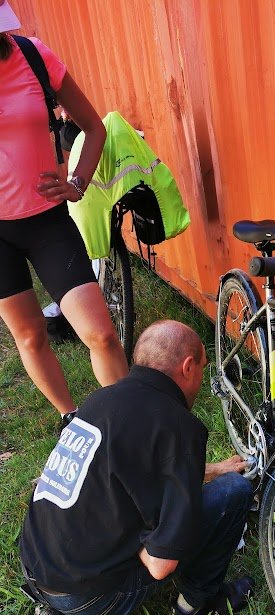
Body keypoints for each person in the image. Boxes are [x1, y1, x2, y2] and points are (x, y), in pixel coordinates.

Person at [20, 320, 255, 615]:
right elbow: (161, 563)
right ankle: (196, 604)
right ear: (188, 367)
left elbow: (140, 466)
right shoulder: (178, 425)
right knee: (235, 493)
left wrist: (215, 469)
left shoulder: (101, 400)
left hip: (38, 564)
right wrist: (153, 542)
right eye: (201, 370)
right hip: (93, 594)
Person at [0, 1, 128, 429]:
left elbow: (94, 126)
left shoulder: (33, 56)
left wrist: (77, 182)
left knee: (102, 334)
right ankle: (71, 421)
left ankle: (129, 426)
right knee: (31, 335)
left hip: (46, 221)